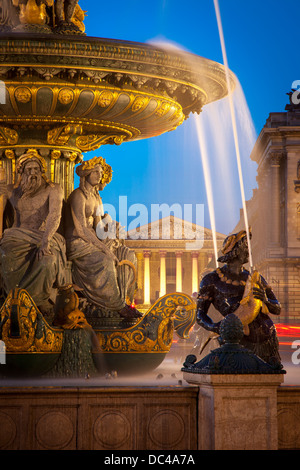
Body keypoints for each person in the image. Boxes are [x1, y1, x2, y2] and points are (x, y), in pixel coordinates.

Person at [65, 156, 142, 319]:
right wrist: (104, 248)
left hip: (91, 238)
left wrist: (110, 225)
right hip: (77, 242)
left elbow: (98, 228)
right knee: (105, 260)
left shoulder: (96, 198)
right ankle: (116, 305)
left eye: (100, 173)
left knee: (126, 254)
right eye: (96, 172)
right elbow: (80, 229)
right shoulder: (78, 196)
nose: (100, 176)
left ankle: (125, 298)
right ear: (87, 173)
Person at [196, 229, 282, 365]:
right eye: (246, 247)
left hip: (266, 338)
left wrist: (266, 300)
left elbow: (277, 309)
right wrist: (216, 327)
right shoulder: (211, 279)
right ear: (235, 251)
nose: (249, 251)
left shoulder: (255, 278)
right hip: (234, 339)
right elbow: (200, 315)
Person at [0, 149, 67, 313]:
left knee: (47, 261)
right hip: (16, 237)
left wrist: (46, 240)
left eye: (36, 169)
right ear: (21, 173)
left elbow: (55, 214)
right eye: (28, 170)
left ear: (42, 171)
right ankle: (12, 300)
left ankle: (39, 302)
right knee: (5, 256)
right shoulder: (12, 191)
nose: (33, 173)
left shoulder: (53, 189)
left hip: (44, 235)